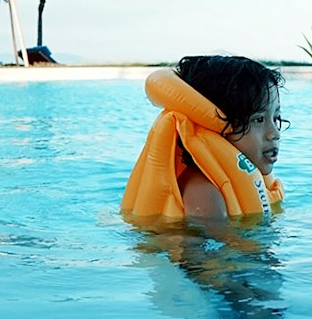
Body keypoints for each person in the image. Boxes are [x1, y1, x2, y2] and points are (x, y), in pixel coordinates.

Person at [121, 54, 286, 223]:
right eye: (258, 120)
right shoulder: (204, 194)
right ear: (213, 124)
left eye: (276, 118)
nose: (274, 133)